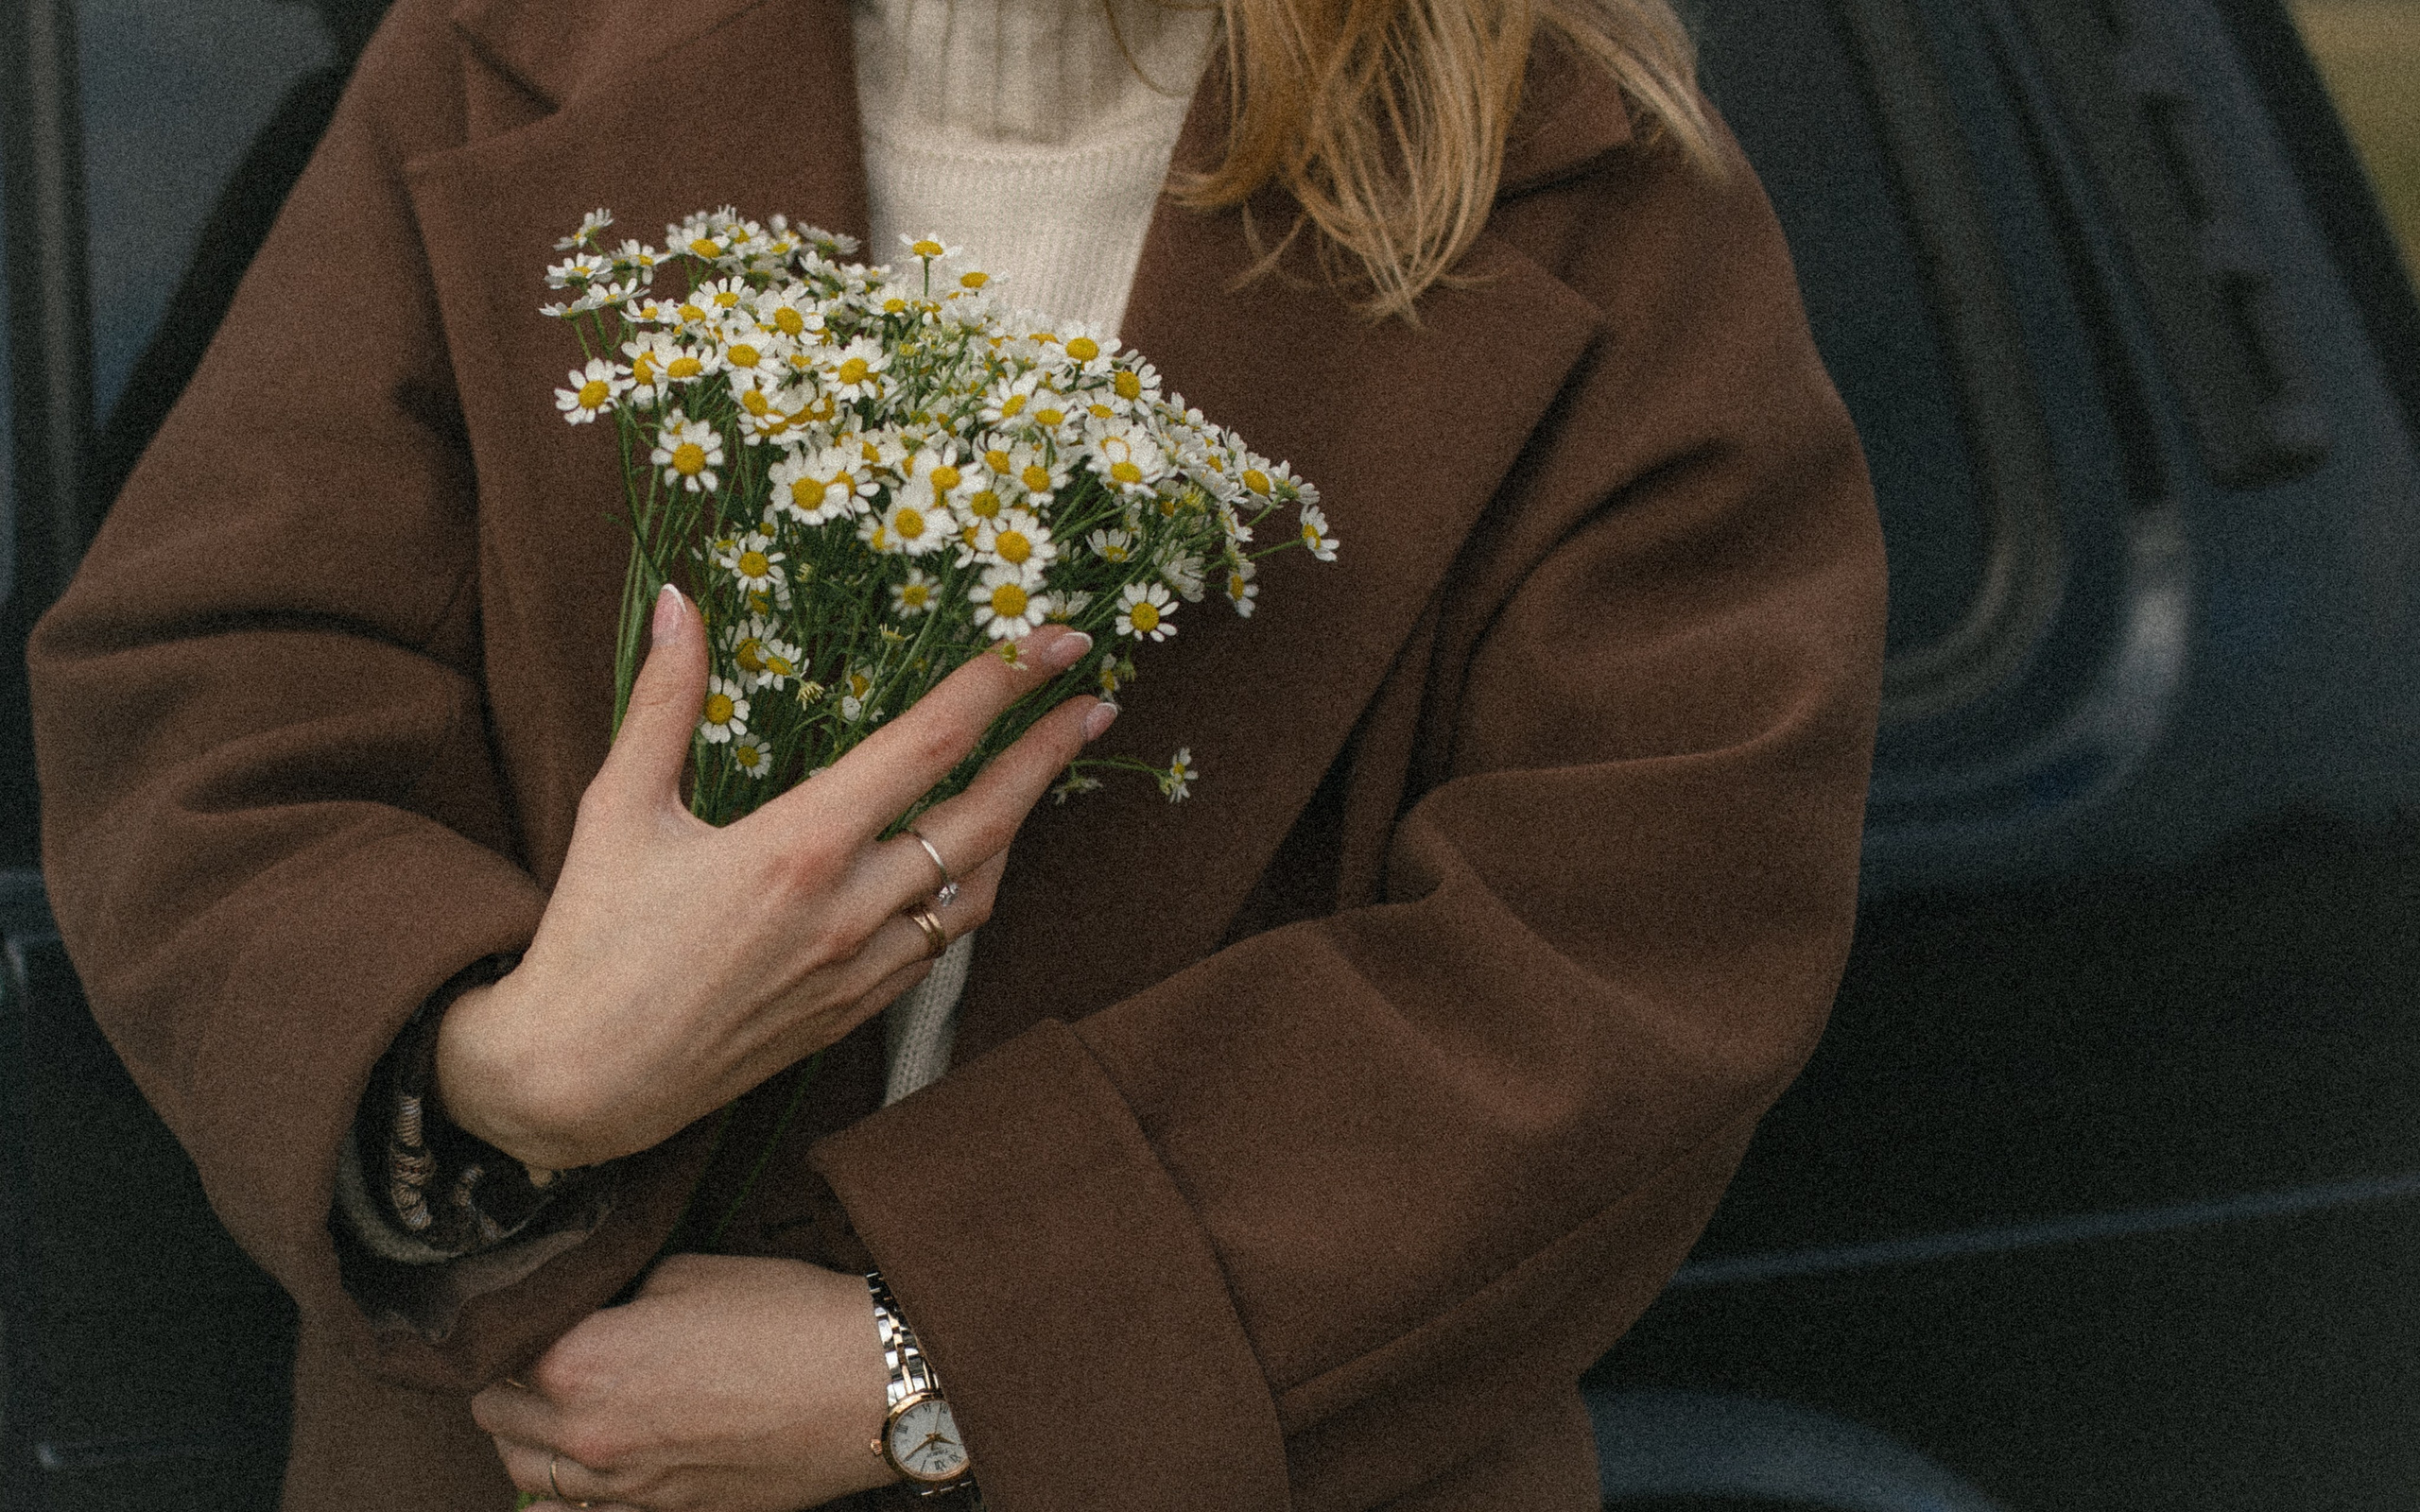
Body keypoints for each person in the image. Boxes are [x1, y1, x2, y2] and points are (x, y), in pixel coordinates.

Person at [26, 0, 1887, 1504]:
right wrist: (506, 1068)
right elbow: (217, 698)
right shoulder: (499, 53)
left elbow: (1626, 943)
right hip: (533, 1448)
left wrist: (940, 1357)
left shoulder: (1588, 186)